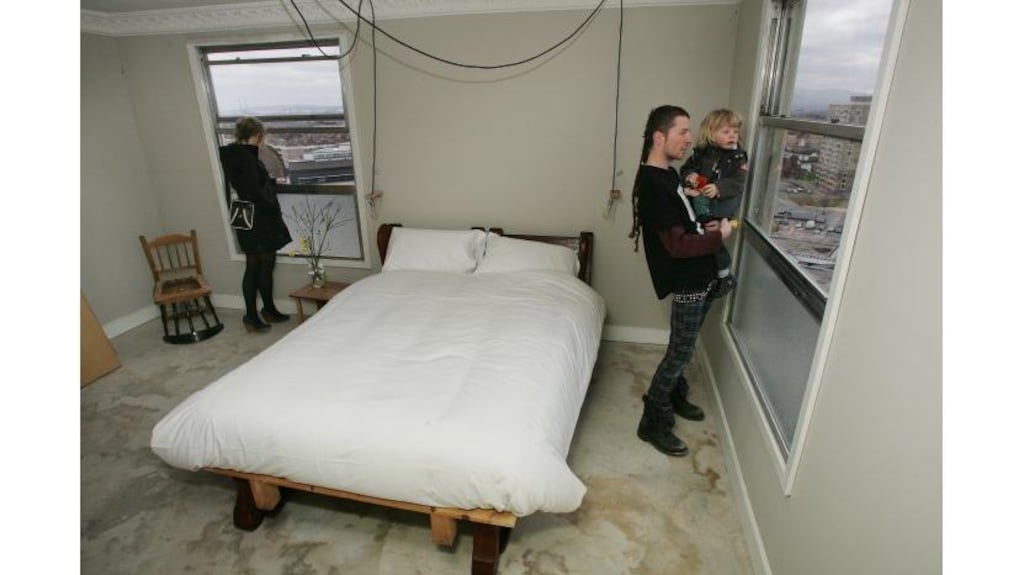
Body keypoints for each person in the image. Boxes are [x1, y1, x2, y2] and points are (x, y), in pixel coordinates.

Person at [627, 105, 733, 456]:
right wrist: (720, 237)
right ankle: (652, 420)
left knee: (682, 345)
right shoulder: (654, 184)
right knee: (680, 351)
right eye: (682, 132)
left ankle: (673, 394)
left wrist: (707, 228)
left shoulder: (669, 175)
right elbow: (678, 245)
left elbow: (686, 225)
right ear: (660, 137)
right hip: (688, 279)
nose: (690, 139)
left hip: (700, 276)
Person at [219, 117, 293, 332]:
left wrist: (266, 184)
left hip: (244, 215)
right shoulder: (247, 157)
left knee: (254, 265)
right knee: (262, 266)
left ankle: (262, 311)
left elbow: (246, 186)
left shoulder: (231, 154)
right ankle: (257, 314)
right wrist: (270, 190)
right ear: (258, 135)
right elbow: (255, 190)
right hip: (259, 218)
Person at [679, 109, 748, 298]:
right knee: (700, 241)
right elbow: (686, 169)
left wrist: (718, 188)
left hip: (720, 208)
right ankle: (709, 276)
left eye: (735, 131)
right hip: (701, 205)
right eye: (726, 132)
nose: (732, 136)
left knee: (714, 242)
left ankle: (724, 277)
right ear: (711, 132)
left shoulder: (738, 157)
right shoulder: (701, 153)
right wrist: (690, 176)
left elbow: (738, 182)